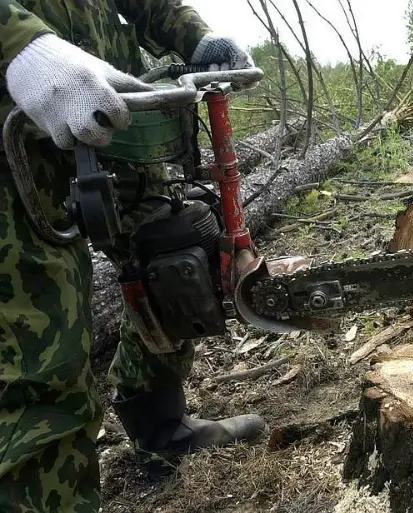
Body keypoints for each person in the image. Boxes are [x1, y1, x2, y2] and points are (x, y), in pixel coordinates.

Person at [0, 1, 266, 511]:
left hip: (111, 104)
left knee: (173, 260)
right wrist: (19, 47)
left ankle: (162, 429)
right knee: (37, 349)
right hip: (13, 131)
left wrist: (194, 38)